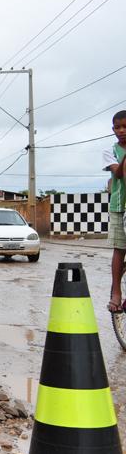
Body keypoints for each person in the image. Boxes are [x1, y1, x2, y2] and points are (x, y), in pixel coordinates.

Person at [106, 110, 126, 312]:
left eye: (125, 127)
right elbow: (118, 173)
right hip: (120, 207)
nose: (121, 130)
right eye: (117, 127)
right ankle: (117, 292)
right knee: (119, 249)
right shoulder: (110, 151)